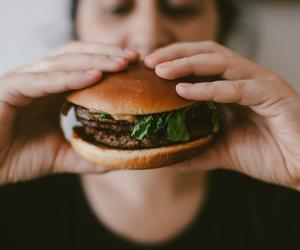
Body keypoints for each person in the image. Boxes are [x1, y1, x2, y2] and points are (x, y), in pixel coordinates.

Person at [1, 0, 300, 249]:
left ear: (220, 30)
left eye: (181, 8)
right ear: (77, 31)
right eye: (116, 8)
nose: (148, 36)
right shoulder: (14, 197)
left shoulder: (281, 192)